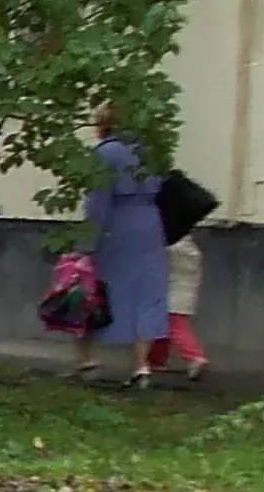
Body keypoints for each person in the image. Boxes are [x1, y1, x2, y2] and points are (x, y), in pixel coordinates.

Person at [75, 102, 168, 386]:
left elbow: (97, 202)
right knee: (148, 295)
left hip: (115, 227)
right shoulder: (151, 151)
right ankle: (141, 366)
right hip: (150, 225)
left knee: (93, 290)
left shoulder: (105, 153)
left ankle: (86, 359)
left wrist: (85, 245)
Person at [146, 234, 211, 380]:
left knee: (174, 326)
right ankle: (156, 360)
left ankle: (194, 356)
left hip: (171, 292)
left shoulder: (171, 249)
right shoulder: (192, 251)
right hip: (185, 293)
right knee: (163, 325)